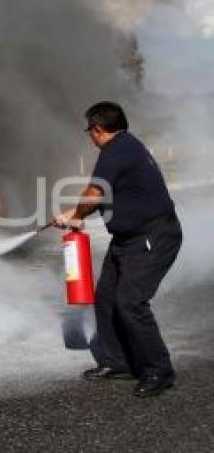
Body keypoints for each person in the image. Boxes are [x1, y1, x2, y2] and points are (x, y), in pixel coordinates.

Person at [52, 101, 182, 398]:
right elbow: (109, 196)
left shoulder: (116, 151)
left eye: (90, 131)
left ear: (97, 130)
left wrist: (75, 216)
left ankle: (158, 370)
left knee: (131, 303)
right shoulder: (126, 147)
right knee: (107, 298)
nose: (90, 137)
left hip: (152, 237)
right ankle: (118, 363)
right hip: (128, 238)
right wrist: (76, 215)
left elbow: (94, 193)